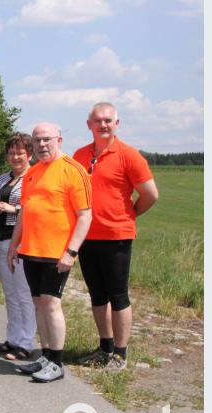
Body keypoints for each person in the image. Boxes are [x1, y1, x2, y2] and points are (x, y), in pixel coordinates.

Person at [73, 103, 159, 370]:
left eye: (108, 120)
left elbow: (150, 194)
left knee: (118, 295)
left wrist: (129, 215)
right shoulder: (80, 155)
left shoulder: (129, 155)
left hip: (117, 236)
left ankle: (120, 354)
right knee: (97, 294)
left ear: (117, 123)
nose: (103, 125)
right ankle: (105, 347)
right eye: (98, 121)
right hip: (87, 237)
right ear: (89, 125)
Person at [9, 122, 92, 383]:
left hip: (57, 253)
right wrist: (14, 245)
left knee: (51, 304)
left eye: (47, 139)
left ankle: (57, 361)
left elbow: (85, 216)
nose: (42, 145)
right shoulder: (33, 172)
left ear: (59, 139)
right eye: (37, 140)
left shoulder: (73, 170)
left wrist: (71, 252)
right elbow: (24, 211)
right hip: (31, 250)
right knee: (38, 303)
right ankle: (45, 356)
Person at [0, 132, 36, 360]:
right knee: (10, 292)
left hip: (24, 241)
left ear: (29, 154)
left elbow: (35, 209)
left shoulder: (34, 177)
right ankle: (12, 338)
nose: (15, 157)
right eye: (12, 153)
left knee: (24, 292)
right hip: (2, 238)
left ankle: (27, 342)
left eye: (20, 153)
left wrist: (12, 209)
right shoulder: (2, 178)